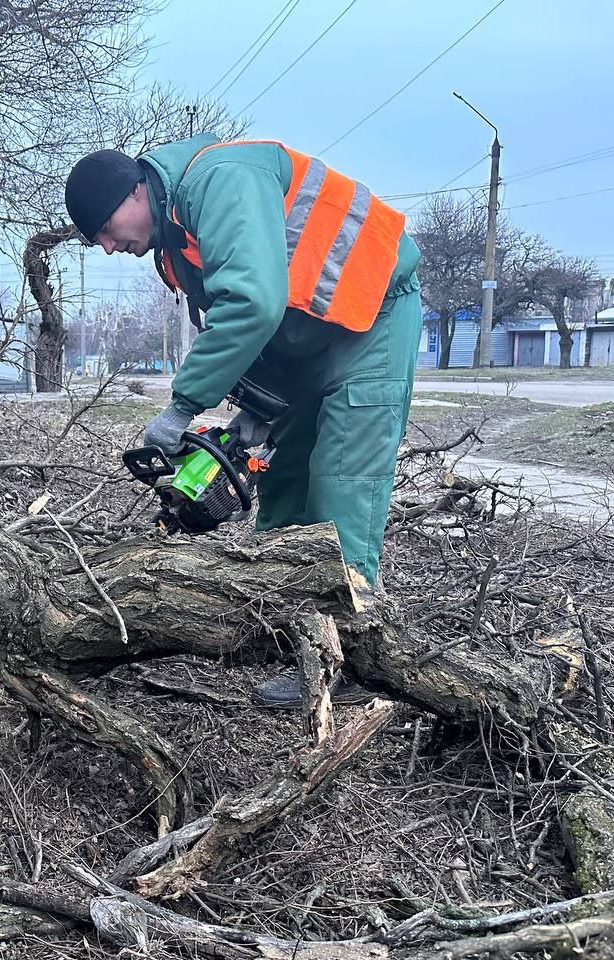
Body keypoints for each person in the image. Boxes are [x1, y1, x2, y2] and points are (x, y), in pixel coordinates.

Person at [64, 136, 421, 705]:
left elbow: (254, 303)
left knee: (341, 481)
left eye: (105, 229)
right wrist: (255, 411)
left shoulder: (219, 181)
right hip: (309, 333)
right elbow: (262, 320)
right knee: (283, 481)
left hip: (372, 313)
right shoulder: (174, 243)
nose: (107, 247)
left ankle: (351, 661)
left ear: (134, 191)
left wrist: (184, 405)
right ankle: (294, 635)